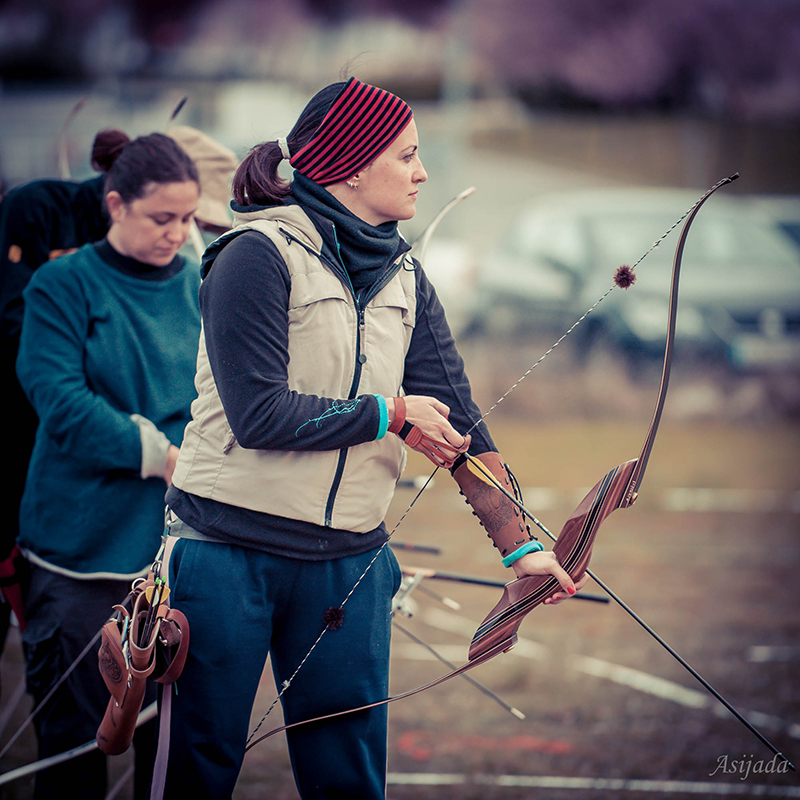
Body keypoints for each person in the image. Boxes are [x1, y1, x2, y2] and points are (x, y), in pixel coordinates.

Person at [152, 76, 587, 800]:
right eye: (407, 157)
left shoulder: (406, 274)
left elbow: (460, 418)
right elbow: (260, 415)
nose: (423, 173)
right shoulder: (254, 254)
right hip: (225, 557)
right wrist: (390, 414)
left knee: (348, 781)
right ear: (352, 164)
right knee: (195, 773)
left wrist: (522, 543)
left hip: (348, 564)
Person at [15, 131, 203, 800]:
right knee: (70, 749)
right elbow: (60, 402)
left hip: (176, 553)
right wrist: (164, 455)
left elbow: (221, 397)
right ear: (116, 204)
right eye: (162, 218)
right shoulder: (62, 285)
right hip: (78, 551)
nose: (178, 233)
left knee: (170, 751)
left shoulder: (200, 285)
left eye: (187, 218)